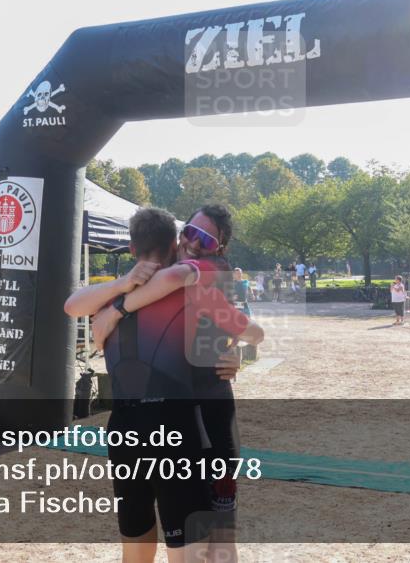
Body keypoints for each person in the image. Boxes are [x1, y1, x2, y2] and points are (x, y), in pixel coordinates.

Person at [65, 207, 264, 562]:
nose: (193, 242)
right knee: (191, 537)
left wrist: (116, 309)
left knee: (214, 536)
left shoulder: (200, 276)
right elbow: (73, 305)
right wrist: (122, 292)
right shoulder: (172, 286)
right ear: (176, 238)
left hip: (198, 419)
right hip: (181, 424)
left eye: (205, 240)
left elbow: (240, 327)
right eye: (190, 232)